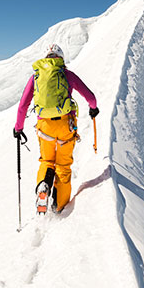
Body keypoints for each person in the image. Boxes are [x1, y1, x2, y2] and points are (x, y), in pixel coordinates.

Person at [13, 43, 98, 214]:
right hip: (66, 125)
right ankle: (59, 206)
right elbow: (91, 97)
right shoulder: (67, 75)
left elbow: (23, 105)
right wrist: (93, 108)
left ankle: (43, 186)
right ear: (61, 59)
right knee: (63, 165)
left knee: (47, 161)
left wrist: (18, 128)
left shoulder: (36, 77)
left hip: (45, 126)